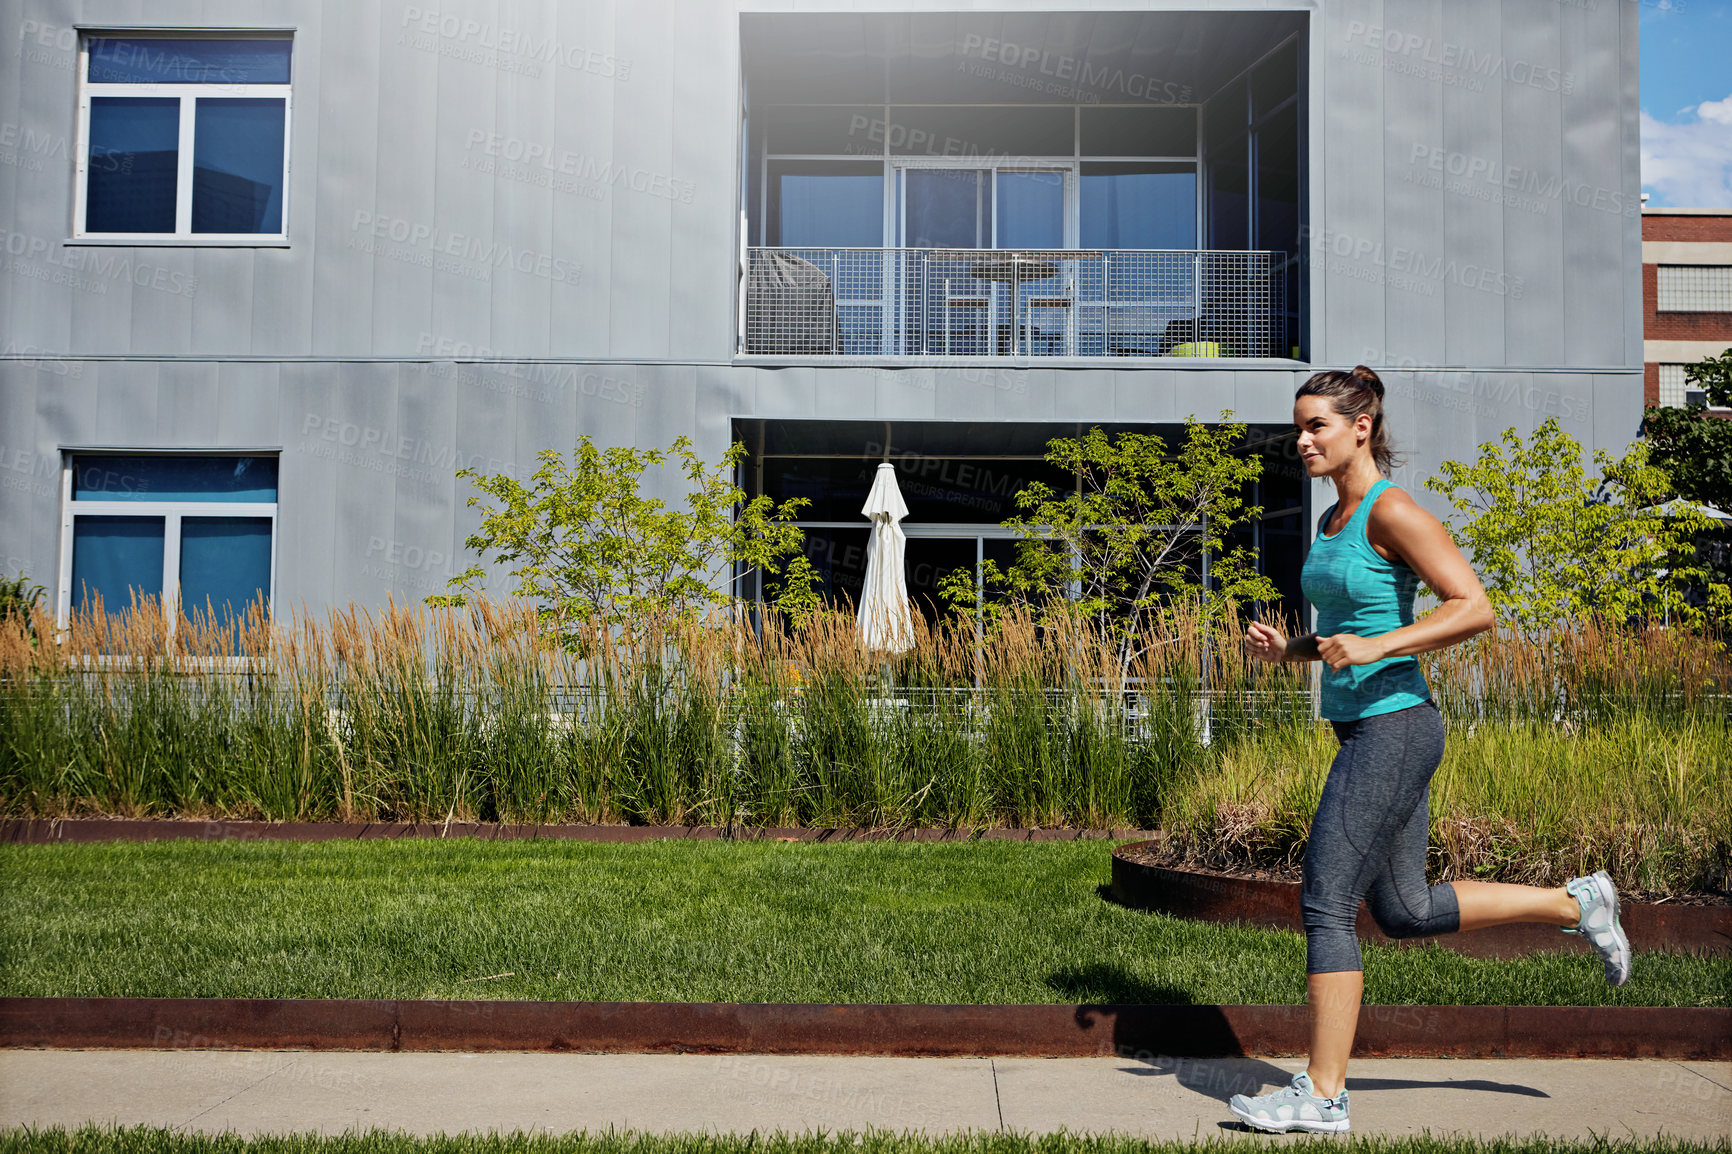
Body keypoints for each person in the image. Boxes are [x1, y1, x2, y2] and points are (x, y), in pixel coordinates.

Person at [1225, 365, 1631, 1135]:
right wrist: (1294, 651)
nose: (1301, 439)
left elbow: (1474, 608)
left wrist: (1375, 645)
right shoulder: (1333, 520)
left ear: (1362, 427)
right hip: (1367, 726)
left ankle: (1323, 1095)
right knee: (1404, 909)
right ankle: (1577, 904)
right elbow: (1351, 635)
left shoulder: (1394, 510)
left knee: (1326, 897)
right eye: (1298, 426)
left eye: (1316, 425)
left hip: (1397, 726)